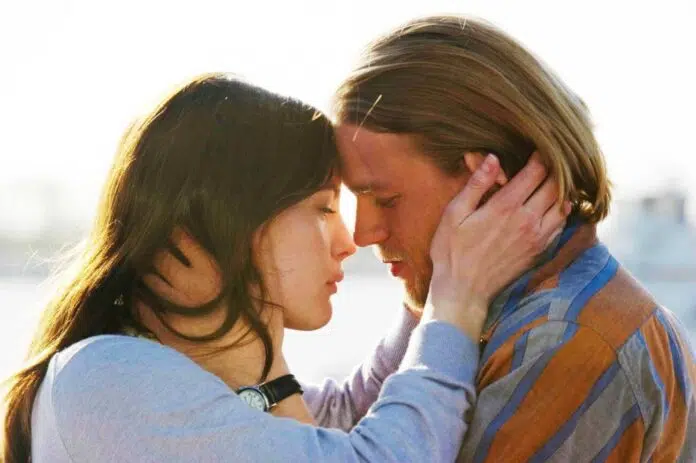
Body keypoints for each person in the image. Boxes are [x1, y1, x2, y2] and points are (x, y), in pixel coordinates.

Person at [1, 74, 567, 462]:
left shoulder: (192, 386)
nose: (348, 240)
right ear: (221, 222)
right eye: (322, 209)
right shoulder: (108, 378)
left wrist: (432, 277)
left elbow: (345, 417)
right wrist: (456, 301)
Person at [329, 15, 696, 462]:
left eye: (386, 200)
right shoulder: (508, 317)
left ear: (486, 177)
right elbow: (345, 423)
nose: (362, 233)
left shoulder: (562, 341)